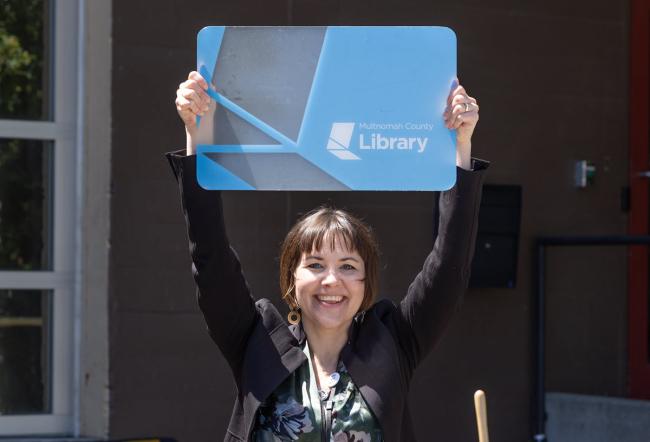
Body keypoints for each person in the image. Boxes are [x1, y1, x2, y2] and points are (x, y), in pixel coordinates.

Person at [168, 71, 487, 442]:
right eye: (315, 265)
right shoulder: (255, 343)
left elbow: (448, 266)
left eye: (348, 267)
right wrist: (196, 134)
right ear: (292, 278)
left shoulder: (394, 343)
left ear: (366, 282)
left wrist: (461, 144)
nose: (331, 280)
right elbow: (210, 258)